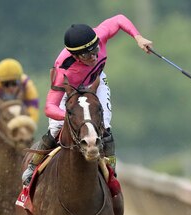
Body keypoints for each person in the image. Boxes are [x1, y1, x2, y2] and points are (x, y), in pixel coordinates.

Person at [22, 14, 153, 186]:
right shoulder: (63, 71)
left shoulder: (100, 34)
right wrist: (69, 117)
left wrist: (138, 37)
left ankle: (111, 173)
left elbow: (120, 19)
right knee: (55, 129)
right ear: (75, 56)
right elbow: (50, 107)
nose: (93, 57)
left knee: (105, 127)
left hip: (95, 82)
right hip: (69, 90)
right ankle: (33, 166)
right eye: (86, 56)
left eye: (95, 51)